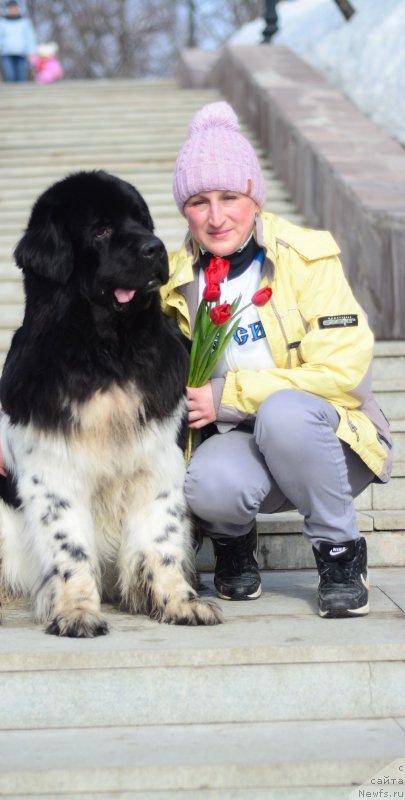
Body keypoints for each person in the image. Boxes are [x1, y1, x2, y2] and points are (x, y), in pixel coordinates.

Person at [162, 101, 393, 618]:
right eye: (199, 201)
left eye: (230, 196)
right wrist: (10, 419)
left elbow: (344, 373)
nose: (216, 216)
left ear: (255, 198)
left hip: (329, 440)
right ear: (184, 210)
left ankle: (340, 553)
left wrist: (228, 396)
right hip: (241, 442)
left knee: (284, 411)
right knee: (208, 481)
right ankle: (232, 546)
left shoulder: (305, 257)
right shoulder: (173, 278)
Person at [0, 1, 37, 83]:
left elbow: (30, 38)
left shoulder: (25, 22)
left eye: (15, 8)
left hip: (21, 55)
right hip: (6, 55)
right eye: (11, 8)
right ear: (7, 10)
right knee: (10, 77)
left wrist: (32, 52)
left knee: (22, 78)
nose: (13, 10)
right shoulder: (2, 23)